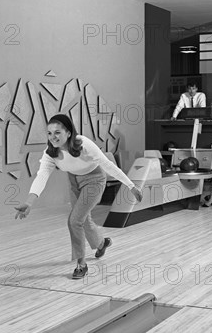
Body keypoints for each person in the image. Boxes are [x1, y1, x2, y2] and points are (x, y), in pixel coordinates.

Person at [14, 114, 143, 279]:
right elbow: (42, 176)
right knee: (84, 218)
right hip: (74, 181)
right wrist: (29, 202)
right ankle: (102, 243)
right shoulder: (50, 153)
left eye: (57, 132)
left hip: (95, 180)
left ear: (68, 133)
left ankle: (81, 264)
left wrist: (130, 185)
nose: (53, 137)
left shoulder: (83, 144)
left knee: (75, 220)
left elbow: (107, 164)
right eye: (49, 133)